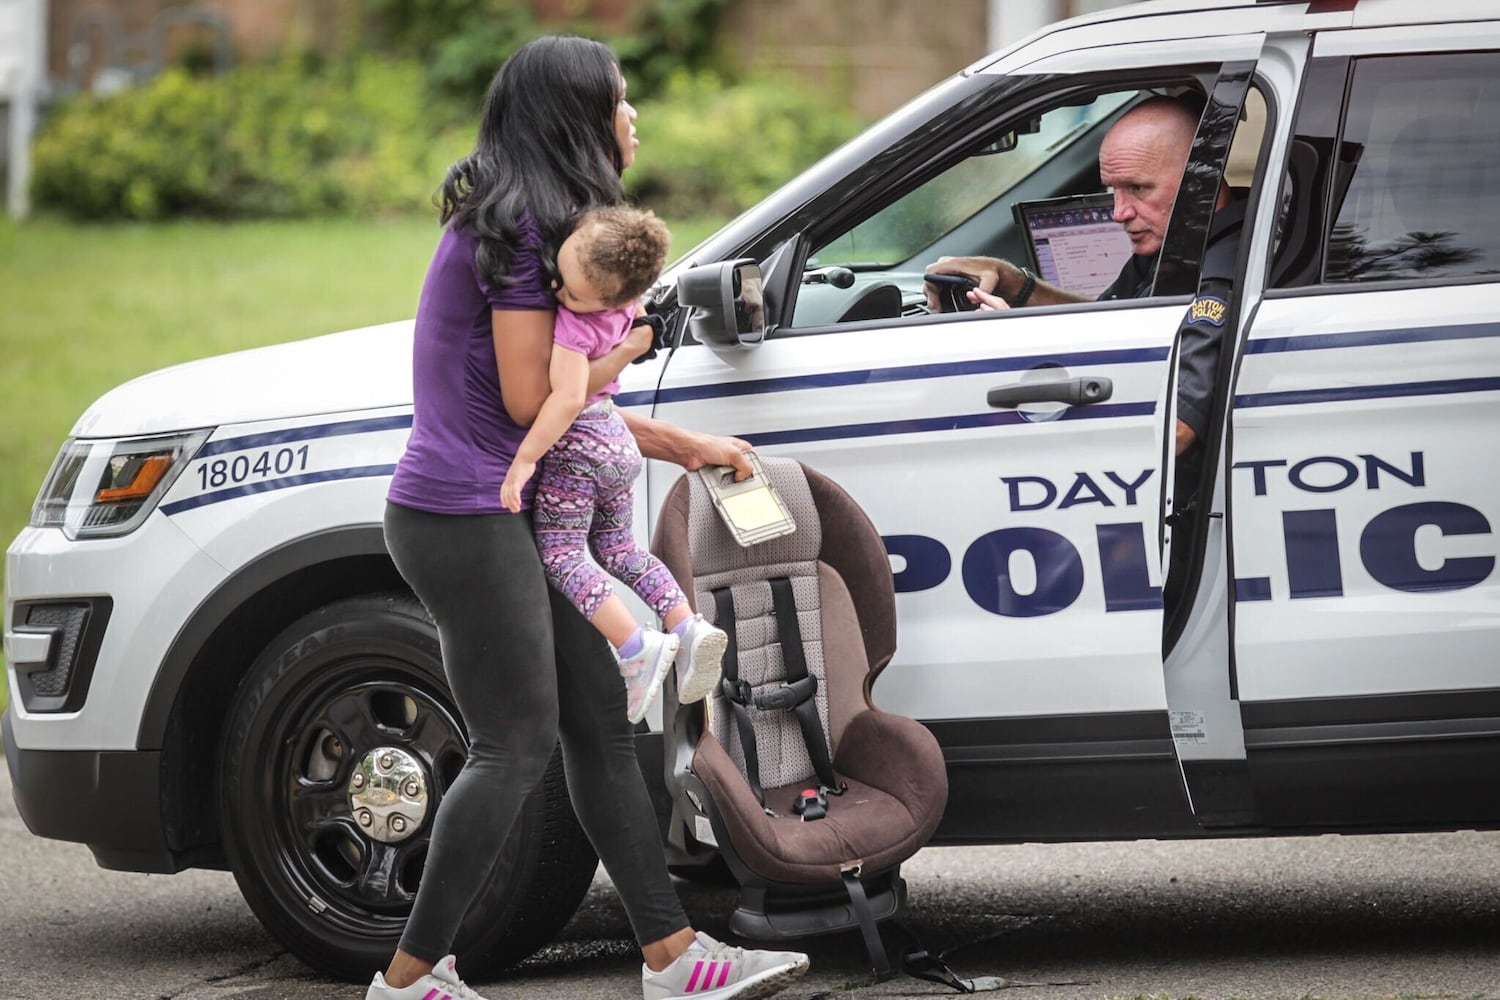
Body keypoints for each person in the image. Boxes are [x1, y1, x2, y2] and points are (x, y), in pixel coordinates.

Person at [372, 34, 810, 1000]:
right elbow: (542, 401)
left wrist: (683, 446)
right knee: (515, 743)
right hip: (463, 511)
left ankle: (671, 957)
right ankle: (409, 977)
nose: (633, 116)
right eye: (621, 98)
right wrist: (634, 375)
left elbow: (570, 407)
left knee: (602, 733)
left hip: (507, 506)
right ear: (578, 115)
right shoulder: (528, 229)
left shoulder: (549, 223)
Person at [925, 96, 1246, 604]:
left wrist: (1012, 351)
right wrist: (1015, 284)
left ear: (1203, 180)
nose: (1119, 212)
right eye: (1113, 191)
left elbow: (1175, 432)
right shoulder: (1179, 242)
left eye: (1139, 189)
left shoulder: (1226, 270)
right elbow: (1103, 320)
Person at [499, 205, 728, 725]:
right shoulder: (629, 304)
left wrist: (524, 460)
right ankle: (688, 626)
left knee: (560, 554)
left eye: (574, 294)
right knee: (620, 550)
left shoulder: (573, 329)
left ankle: (634, 648)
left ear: (610, 295)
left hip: (580, 446)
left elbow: (566, 398)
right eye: (559, 279)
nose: (559, 293)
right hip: (618, 443)